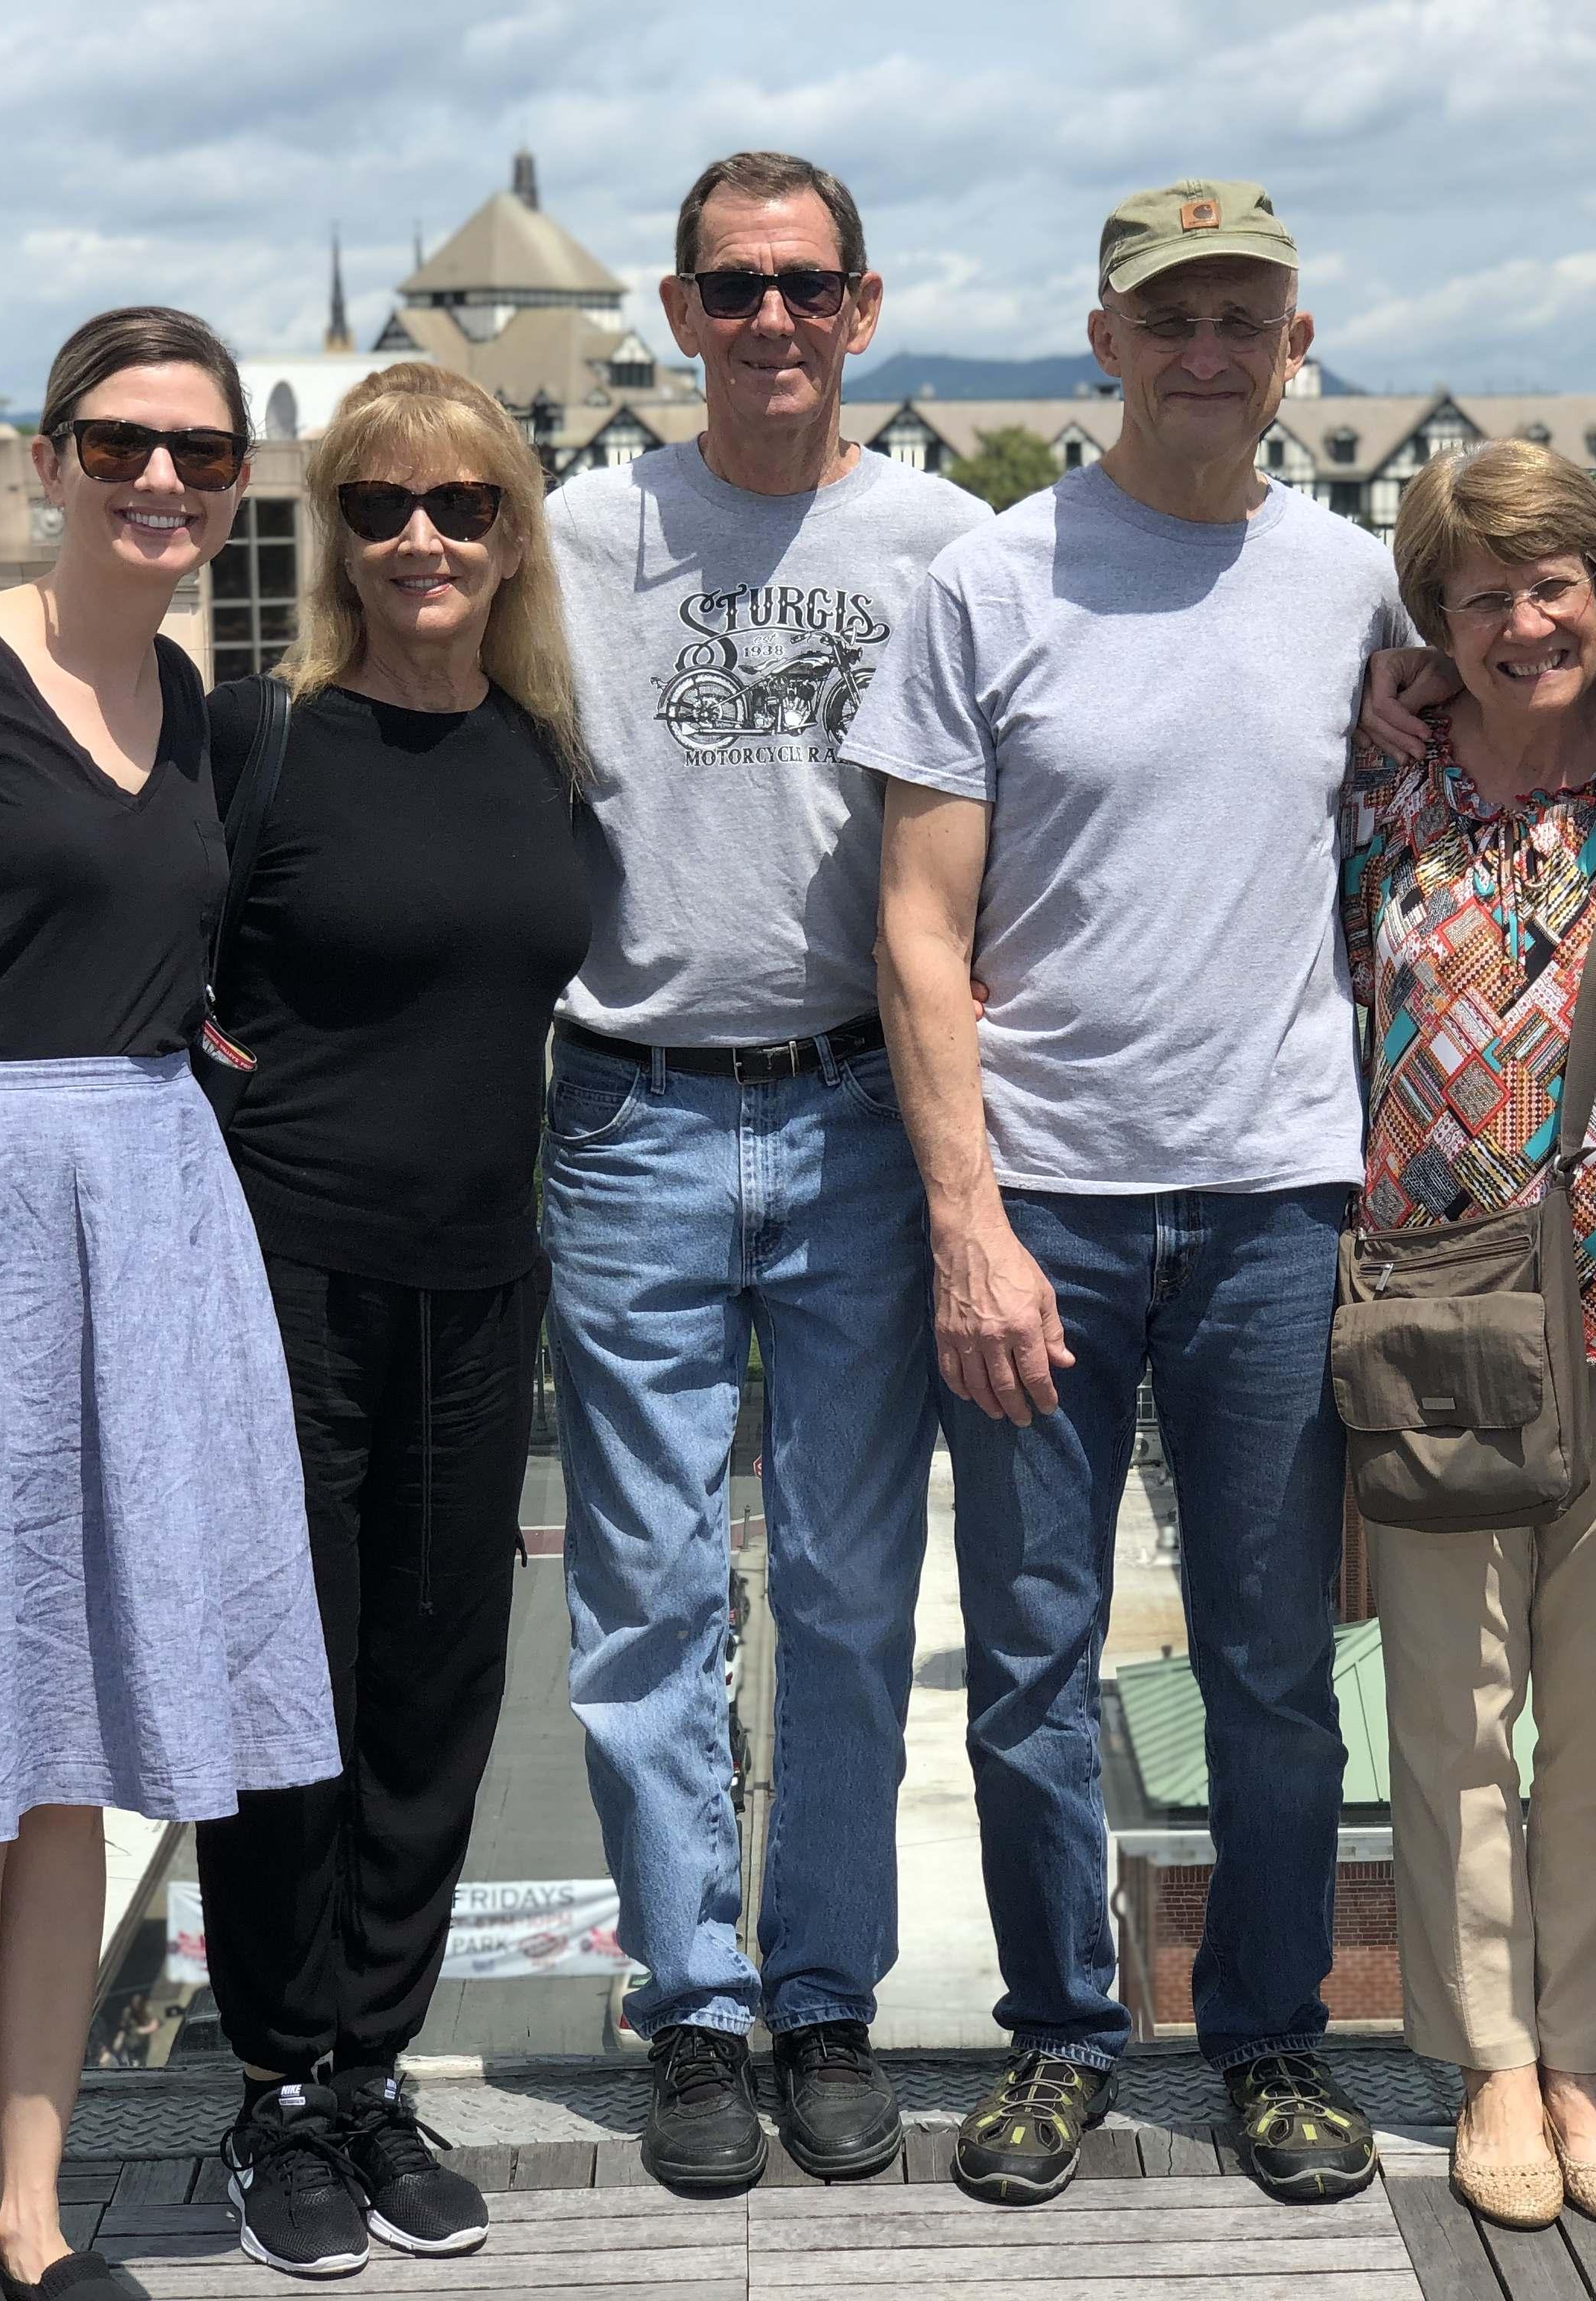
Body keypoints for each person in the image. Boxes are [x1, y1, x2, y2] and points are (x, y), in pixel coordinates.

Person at [855, 178, 1407, 2208]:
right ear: (1104, 339)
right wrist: (967, 1221)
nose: (1205, 353)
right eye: (1169, 318)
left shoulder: (1357, 585)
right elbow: (919, 932)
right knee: (1025, 1658)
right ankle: (1061, 2039)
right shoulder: (994, 584)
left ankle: (1271, 2039)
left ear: (1292, 343)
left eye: (1242, 317)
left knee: (1271, 1665)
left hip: (1278, 1199)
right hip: (1052, 1211)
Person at [0, 308, 339, 2301]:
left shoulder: (204, 705)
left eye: (202, 456)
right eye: (122, 444)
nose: (162, 482)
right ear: (47, 456)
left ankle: (40, 2214)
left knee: (69, 1766)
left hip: (145, 1212)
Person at [540, 151, 989, 2192]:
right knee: (641, 1596)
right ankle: (695, 2006)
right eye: (736, 290)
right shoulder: (578, 535)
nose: (775, 322)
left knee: (841, 1588)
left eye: (808, 289)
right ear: (678, 309)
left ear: (865, 308)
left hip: (854, 1120)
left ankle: (823, 1995)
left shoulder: (952, 542)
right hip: (629, 1105)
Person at [191, 365, 592, 2278]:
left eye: (461, 505)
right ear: (331, 531)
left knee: (438, 1693)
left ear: (513, 532)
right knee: (292, 1697)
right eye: (377, 505)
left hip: (479, 1278)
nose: (421, 536)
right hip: (281, 1276)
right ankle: (271, 2083)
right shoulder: (259, 740)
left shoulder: (547, 751)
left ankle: (371, 2067)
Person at [1343, 439, 1596, 2232]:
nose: (1521, 619)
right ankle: (1488, 2053)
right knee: (1449, 1703)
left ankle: (1583, 2054)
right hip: (1432, 1311)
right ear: (1436, 618)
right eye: (1480, 593)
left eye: (1552, 582)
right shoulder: (1379, 789)